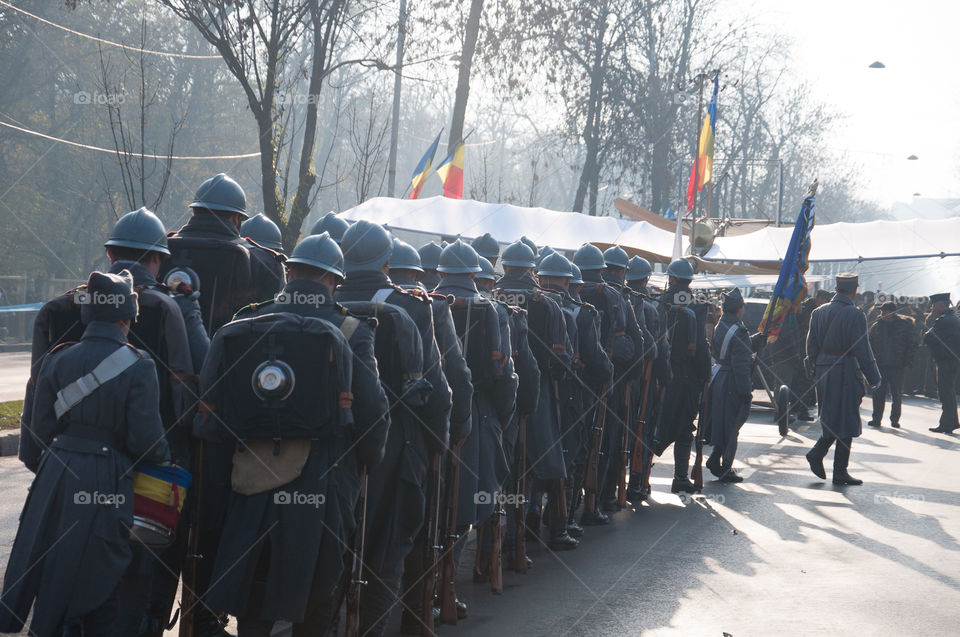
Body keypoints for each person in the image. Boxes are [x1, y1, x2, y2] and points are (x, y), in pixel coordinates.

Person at [197, 232, 390, 636]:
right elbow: (373, 413)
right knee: (317, 598)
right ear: (334, 281)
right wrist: (365, 465)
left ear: (289, 272)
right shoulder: (352, 329)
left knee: (253, 594)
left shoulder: (244, 323)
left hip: (247, 481)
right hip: (324, 484)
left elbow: (210, 413)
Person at [0, 270, 171, 637]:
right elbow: (147, 442)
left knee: (50, 569)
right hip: (109, 476)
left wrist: (55, 472)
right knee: (104, 577)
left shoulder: (57, 359)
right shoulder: (139, 364)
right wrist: (164, 459)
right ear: (127, 318)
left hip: (54, 476)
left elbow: (35, 440)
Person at [335, 220, 452, 636]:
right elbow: (438, 392)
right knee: (386, 556)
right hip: (397, 451)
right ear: (387, 262)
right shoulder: (415, 307)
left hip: (333, 449)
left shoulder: (325, 297)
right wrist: (439, 442)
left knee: (333, 555)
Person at [496, 241, 577, 549]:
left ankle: (507, 533)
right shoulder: (548, 303)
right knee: (547, 463)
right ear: (532, 269)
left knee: (506, 465)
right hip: (540, 393)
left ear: (504, 268)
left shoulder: (490, 296)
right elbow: (561, 363)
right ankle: (553, 529)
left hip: (500, 395)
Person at [160, 173, 285, 334]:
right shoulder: (267, 263)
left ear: (195, 212)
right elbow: (272, 326)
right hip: (230, 356)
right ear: (235, 219)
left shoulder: (158, 250)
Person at [804, 273, 881, 485]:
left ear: (836, 289)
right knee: (847, 419)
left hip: (823, 370)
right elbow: (862, 350)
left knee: (831, 415)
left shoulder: (818, 312)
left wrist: (814, 367)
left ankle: (819, 454)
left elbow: (810, 346)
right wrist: (874, 377)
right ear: (855, 289)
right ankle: (838, 470)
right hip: (845, 370)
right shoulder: (855, 314)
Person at [652, 259, 710, 494]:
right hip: (686, 376)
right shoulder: (696, 305)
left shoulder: (659, 302)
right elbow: (701, 348)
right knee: (685, 427)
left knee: (651, 423)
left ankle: (639, 480)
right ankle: (680, 477)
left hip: (658, 374)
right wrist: (706, 374)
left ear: (672, 279)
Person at [706, 288, 754, 483]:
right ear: (739, 309)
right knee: (733, 423)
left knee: (724, 423)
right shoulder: (740, 330)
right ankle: (725, 466)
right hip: (732, 381)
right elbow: (741, 365)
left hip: (719, 377)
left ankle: (716, 458)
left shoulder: (722, 324)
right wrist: (745, 391)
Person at [867, 302, 915, 429]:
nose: (883, 314)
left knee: (896, 394)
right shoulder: (876, 326)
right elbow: (870, 344)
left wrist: (908, 362)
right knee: (878, 393)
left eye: (885, 311)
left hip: (897, 365)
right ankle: (876, 418)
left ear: (892, 312)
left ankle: (895, 419)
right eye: (882, 311)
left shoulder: (905, 325)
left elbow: (912, 345)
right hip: (880, 365)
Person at [923, 292, 960, 433]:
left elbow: (929, 337)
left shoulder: (944, 320)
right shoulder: (953, 318)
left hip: (946, 360)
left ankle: (946, 424)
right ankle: (953, 422)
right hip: (951, 359)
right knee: (949, 392)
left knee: (945, 392)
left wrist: (926, 335)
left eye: (934, 305)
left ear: (941, 305)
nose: (932, 308)